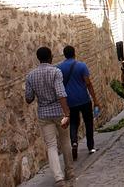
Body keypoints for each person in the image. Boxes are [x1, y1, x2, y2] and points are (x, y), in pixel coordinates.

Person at [25, 47, 74, 185]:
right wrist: (67, 113)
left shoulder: (31, 76)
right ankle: (69, 171)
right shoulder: (55, 72)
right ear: (51, 57)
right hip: (59, 112)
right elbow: (61, 93)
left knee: (51, 145)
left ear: (38, 58)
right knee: (65, 141)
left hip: (44, 114)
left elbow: (28, 98)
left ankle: (58, 178)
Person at [57, 45, 100, 161]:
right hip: (84, 99)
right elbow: (88, 83)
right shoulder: (82, 66)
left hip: (70, 101)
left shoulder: (59, 68)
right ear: (74, 53)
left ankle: (74, 143)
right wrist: (95, 100)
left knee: (74, 123)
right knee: (88, 122)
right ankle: (91, 147)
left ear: (64, 55)